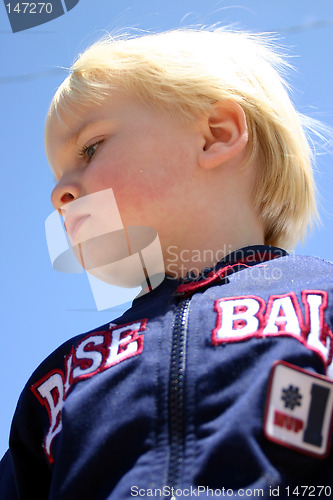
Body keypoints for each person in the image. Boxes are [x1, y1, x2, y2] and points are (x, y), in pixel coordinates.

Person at [1, 28, 333, 500]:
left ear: (216, 136)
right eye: (58, 176)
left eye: (90, 148)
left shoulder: (323, 304)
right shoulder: (59, 379)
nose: (60, 194)